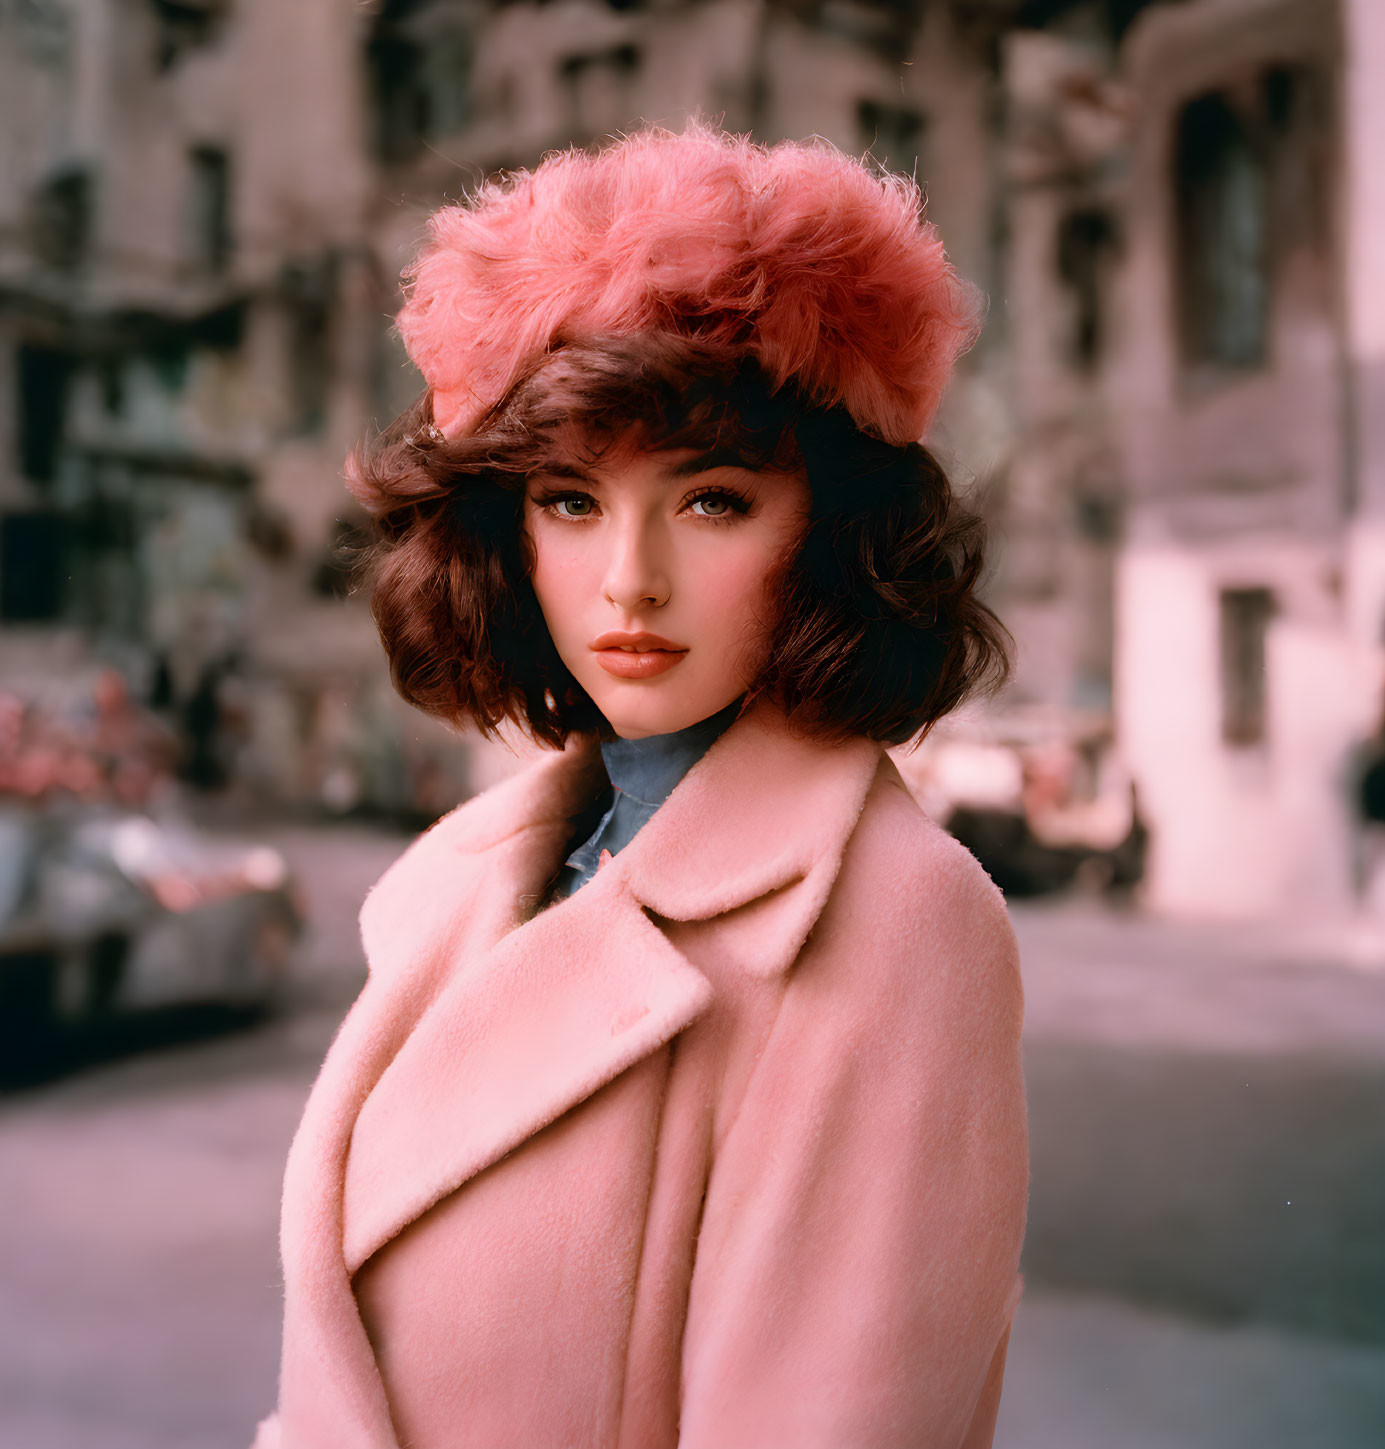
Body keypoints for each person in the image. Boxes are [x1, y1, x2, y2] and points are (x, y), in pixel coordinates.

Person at [252, 121, 1028, 1449]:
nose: (630, 578)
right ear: (502, 533)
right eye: (567, 500)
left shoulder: (896, 923)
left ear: (832, 531)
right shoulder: (476, 869)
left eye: (712, 499)